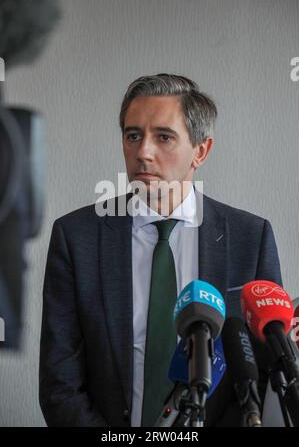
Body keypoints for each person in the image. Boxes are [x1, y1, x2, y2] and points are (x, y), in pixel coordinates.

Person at [39, 74, 282, 427]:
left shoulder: (250, 236)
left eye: (163, 137)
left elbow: (262, 376)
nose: (143, 152)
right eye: (133, 135)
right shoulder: (76, 237)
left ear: (201, 150)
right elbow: (59, 381)